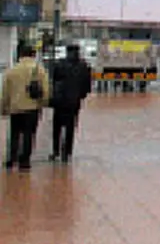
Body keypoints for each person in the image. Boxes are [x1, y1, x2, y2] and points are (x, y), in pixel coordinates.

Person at [2, 43, 51, 172]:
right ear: (33, 55)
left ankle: (12, 158)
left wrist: (4, 107)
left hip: (15, 107)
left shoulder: (12, 71)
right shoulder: (39, 70)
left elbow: (5, 92)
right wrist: (43, 103)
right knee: (29, 134)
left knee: (14, 133)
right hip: (32, 108)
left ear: (20, 55)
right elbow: (46, 90)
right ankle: (25, 161)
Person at [49, 43, 93, 164]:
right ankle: (68, 151)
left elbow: (54, 81)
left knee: (57, 126)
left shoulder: (60, 64)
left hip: (60, 101)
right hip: (74, 101)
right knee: (70, 126)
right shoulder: (83, 66)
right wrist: (81, 95)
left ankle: (56, 151)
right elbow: (87, 85)